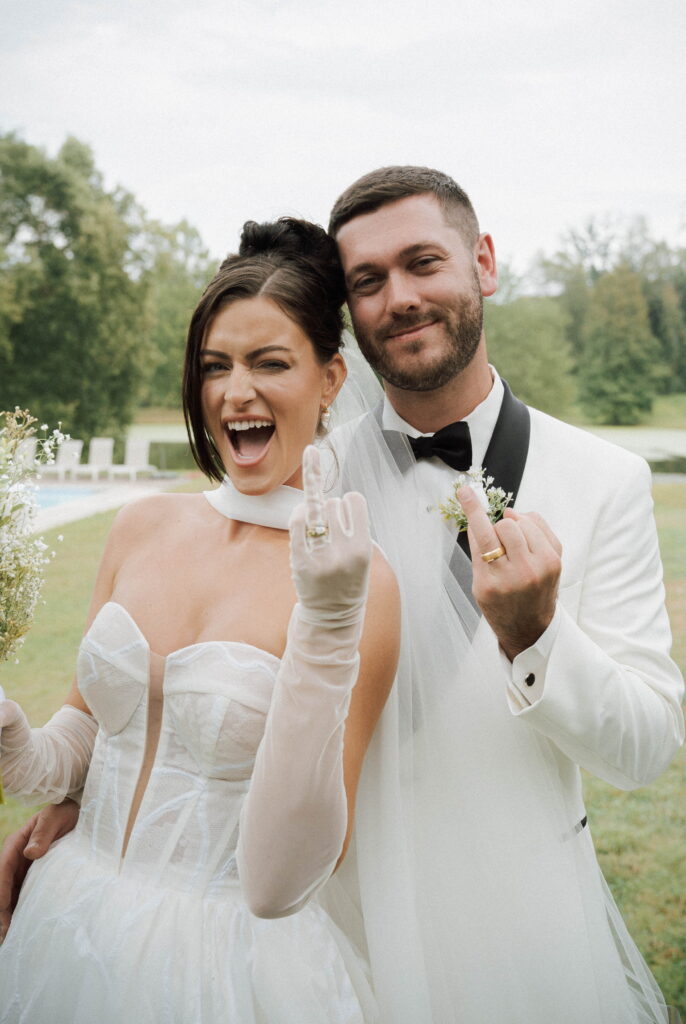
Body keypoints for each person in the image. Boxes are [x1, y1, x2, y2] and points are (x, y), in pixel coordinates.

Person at [2, 166, 684, 1023]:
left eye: (423, 263)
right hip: (309, 929)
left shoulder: (603, 479)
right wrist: (82, 810)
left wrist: (535, 635)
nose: (398, 297)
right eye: (367, 281)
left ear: (484, 262)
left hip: (499, 919)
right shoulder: (302, 460)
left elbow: (644, 749)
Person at [0, 217, 400, 1023]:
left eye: (269, 363)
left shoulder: (358, 584)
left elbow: (291, 875)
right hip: (68, 918)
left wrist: (327, 626)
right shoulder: (141, 525)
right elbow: (85, 742)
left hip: (228, 965)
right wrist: (14, 739)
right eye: (215, 365)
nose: (233, 391)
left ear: (330, 381)